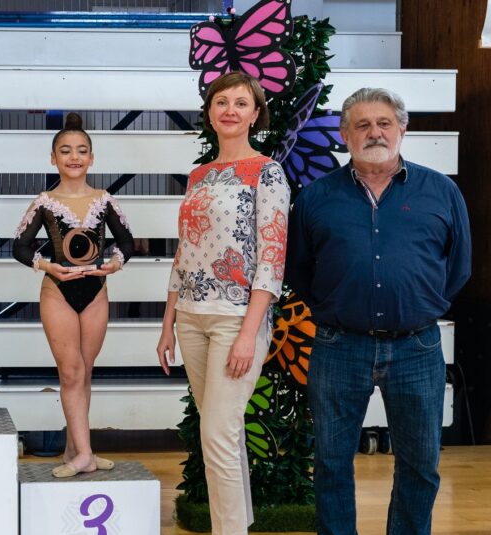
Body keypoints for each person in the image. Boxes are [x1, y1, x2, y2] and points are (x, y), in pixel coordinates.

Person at [285, 88, 470, 535]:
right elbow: (299, 269)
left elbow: (459, 266)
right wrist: (336, 306)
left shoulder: (441, 190)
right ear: (345, 135)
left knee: (421, 465)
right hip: (337, 345)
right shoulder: (315, 198)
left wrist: (417, 304)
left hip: (417, 345)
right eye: (362, 125)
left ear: (402, 130)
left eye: (384, 123)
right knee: (330, 463)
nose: (374, 132)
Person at [156, 72, 291, 534]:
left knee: (217, 434)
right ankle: (238, 524)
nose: (230, 109)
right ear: (210, 111)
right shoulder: (200, 174)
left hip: (237, 320)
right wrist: (167, 322)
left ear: (256, 114)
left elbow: (272, 258)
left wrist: (250, 334)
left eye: (241, 103)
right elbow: (184, 250)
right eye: (221, 102)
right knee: (222, 436)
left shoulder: (267, 171)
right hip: (191, 317)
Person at [13, 112, 134, 477]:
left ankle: (72, 450)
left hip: (96, 291)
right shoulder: (45, 202)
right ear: (54, 159)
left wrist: (115, 263)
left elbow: (127, 241)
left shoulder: (104, 198)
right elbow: (18, 246)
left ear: (92, 158)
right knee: (70, 372)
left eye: (82, 150)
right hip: (58, 291)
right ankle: (86, 454)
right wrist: (48, 266)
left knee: (85, 374)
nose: (74, 156)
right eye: (65, 151)